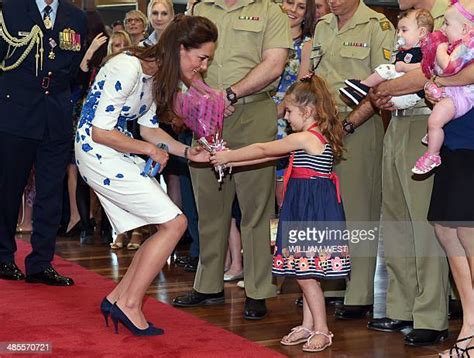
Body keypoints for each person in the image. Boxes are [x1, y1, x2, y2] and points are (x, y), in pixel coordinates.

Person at [75, 15, 216, 335]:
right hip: (98, 151)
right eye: (202, 58)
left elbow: (149, 129)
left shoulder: (156, 73)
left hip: (119, 150)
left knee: (169, 224)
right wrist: (149, 150)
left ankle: (118, 298)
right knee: (175, 223)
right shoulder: (127, 67)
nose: (203, 66)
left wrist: (186, 153)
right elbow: (100, 132)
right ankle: (129, 303)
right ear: (181, 49)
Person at [211, 74, 350, 352]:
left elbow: (264, 147)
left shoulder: (307, 138)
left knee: (306, 273)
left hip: (310, 209)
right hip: (305, 205)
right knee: (304, 268)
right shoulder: (305, 138)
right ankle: (308, 324)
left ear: (307, 111)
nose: (285, 116)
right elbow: (266, 156)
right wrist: (234, 157)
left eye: (289, 111)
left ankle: (322, 329)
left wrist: (228, 156)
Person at [173, 0, 292, 320]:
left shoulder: (270, 11)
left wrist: (229, 94)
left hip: (252, 112)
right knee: (209, 206)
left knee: (256, 208)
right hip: (204, 114)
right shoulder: (199, 8)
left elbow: (274, 64)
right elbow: (180, 58)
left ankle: (257, 290)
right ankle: (208, 285)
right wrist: (203, 95)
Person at [366, 0, 451, 347]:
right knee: (396, 219)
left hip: (424, 120)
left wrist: (385, 88)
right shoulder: (405, 21)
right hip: (398, 124)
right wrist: (383, 94)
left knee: (422, 222)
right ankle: (402, 307)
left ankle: (431, 315)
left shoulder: (451, 13)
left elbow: (429, 72)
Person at [303, 0, 394, 319]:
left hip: (358, 126)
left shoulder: (378, 26)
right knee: (328, 211)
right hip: (322, 127)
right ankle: (333, 285)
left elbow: (382, 84)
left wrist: (349, 124)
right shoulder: (323, 26)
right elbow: (315, 77)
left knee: (358, 213)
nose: (333, 1)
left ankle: (360, 294)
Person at [0, 0, 86, 285]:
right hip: (16, 113)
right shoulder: (10, 9)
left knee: (50, 193)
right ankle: (3, 257)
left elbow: (73, 69)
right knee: (8, 189)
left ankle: (41, 263)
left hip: (56, 115)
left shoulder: (75, 16)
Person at [424, 63, 474, 356]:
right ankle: (469, 326)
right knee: (446, 229)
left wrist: (439, 78)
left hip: (471, 145)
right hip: (451, 144)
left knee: (469, 232)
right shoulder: (450, 48)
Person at [412, 1, 474, 174]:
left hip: (467, 140)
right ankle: (435, 136)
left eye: (446, 25)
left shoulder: (467, 45)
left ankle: (433, 151)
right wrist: (432, 82)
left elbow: (449, 69)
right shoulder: (459, 41)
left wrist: (439, 49)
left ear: (464, 29)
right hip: (454, 139)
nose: (443, 29)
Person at [340, 9, 434, 108]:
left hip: (410, 97)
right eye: (398, 31)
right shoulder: (403, 51)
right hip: (394, 98)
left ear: (421, 32)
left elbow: (427, 67)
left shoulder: (425, 51)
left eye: (404, 30)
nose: (399, 34)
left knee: (386, 69)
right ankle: (360, 91)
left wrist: (405, 67)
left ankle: (363, 86)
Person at [273, 0, 316, 206]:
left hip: (288, 120)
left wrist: (278, 111)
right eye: (290, 3)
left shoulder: (307, 44)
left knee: (284, 192)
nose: (293, 10)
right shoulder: (266, 36)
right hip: (256, 112)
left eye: (301, 7)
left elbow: (301, 86)